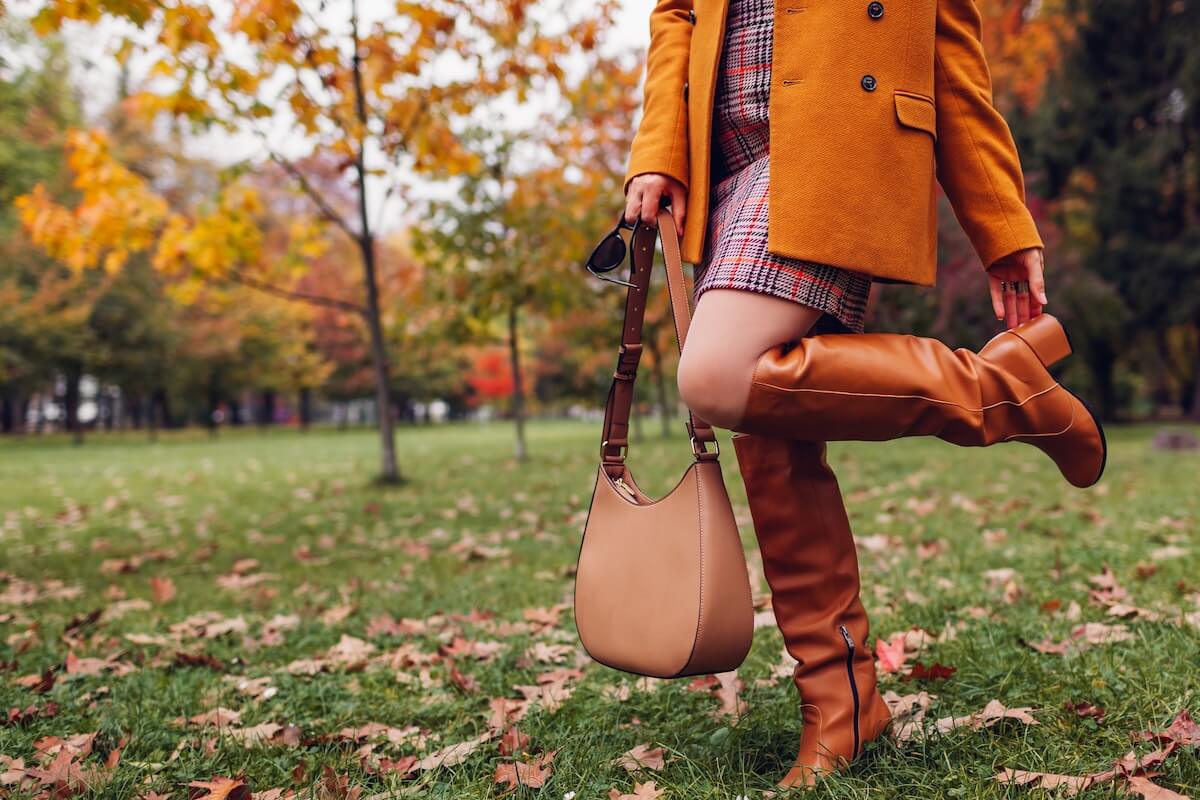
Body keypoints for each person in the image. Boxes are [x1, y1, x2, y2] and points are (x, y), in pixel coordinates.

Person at [621, 0, 1107, 788]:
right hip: (724, 163)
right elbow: (677, 11)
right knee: (768, 421)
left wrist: (1004, 227)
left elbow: (951, 67)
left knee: (718, 375)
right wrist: (659, 149)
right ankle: (844, 706)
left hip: (839, 144)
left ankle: (993, 389)